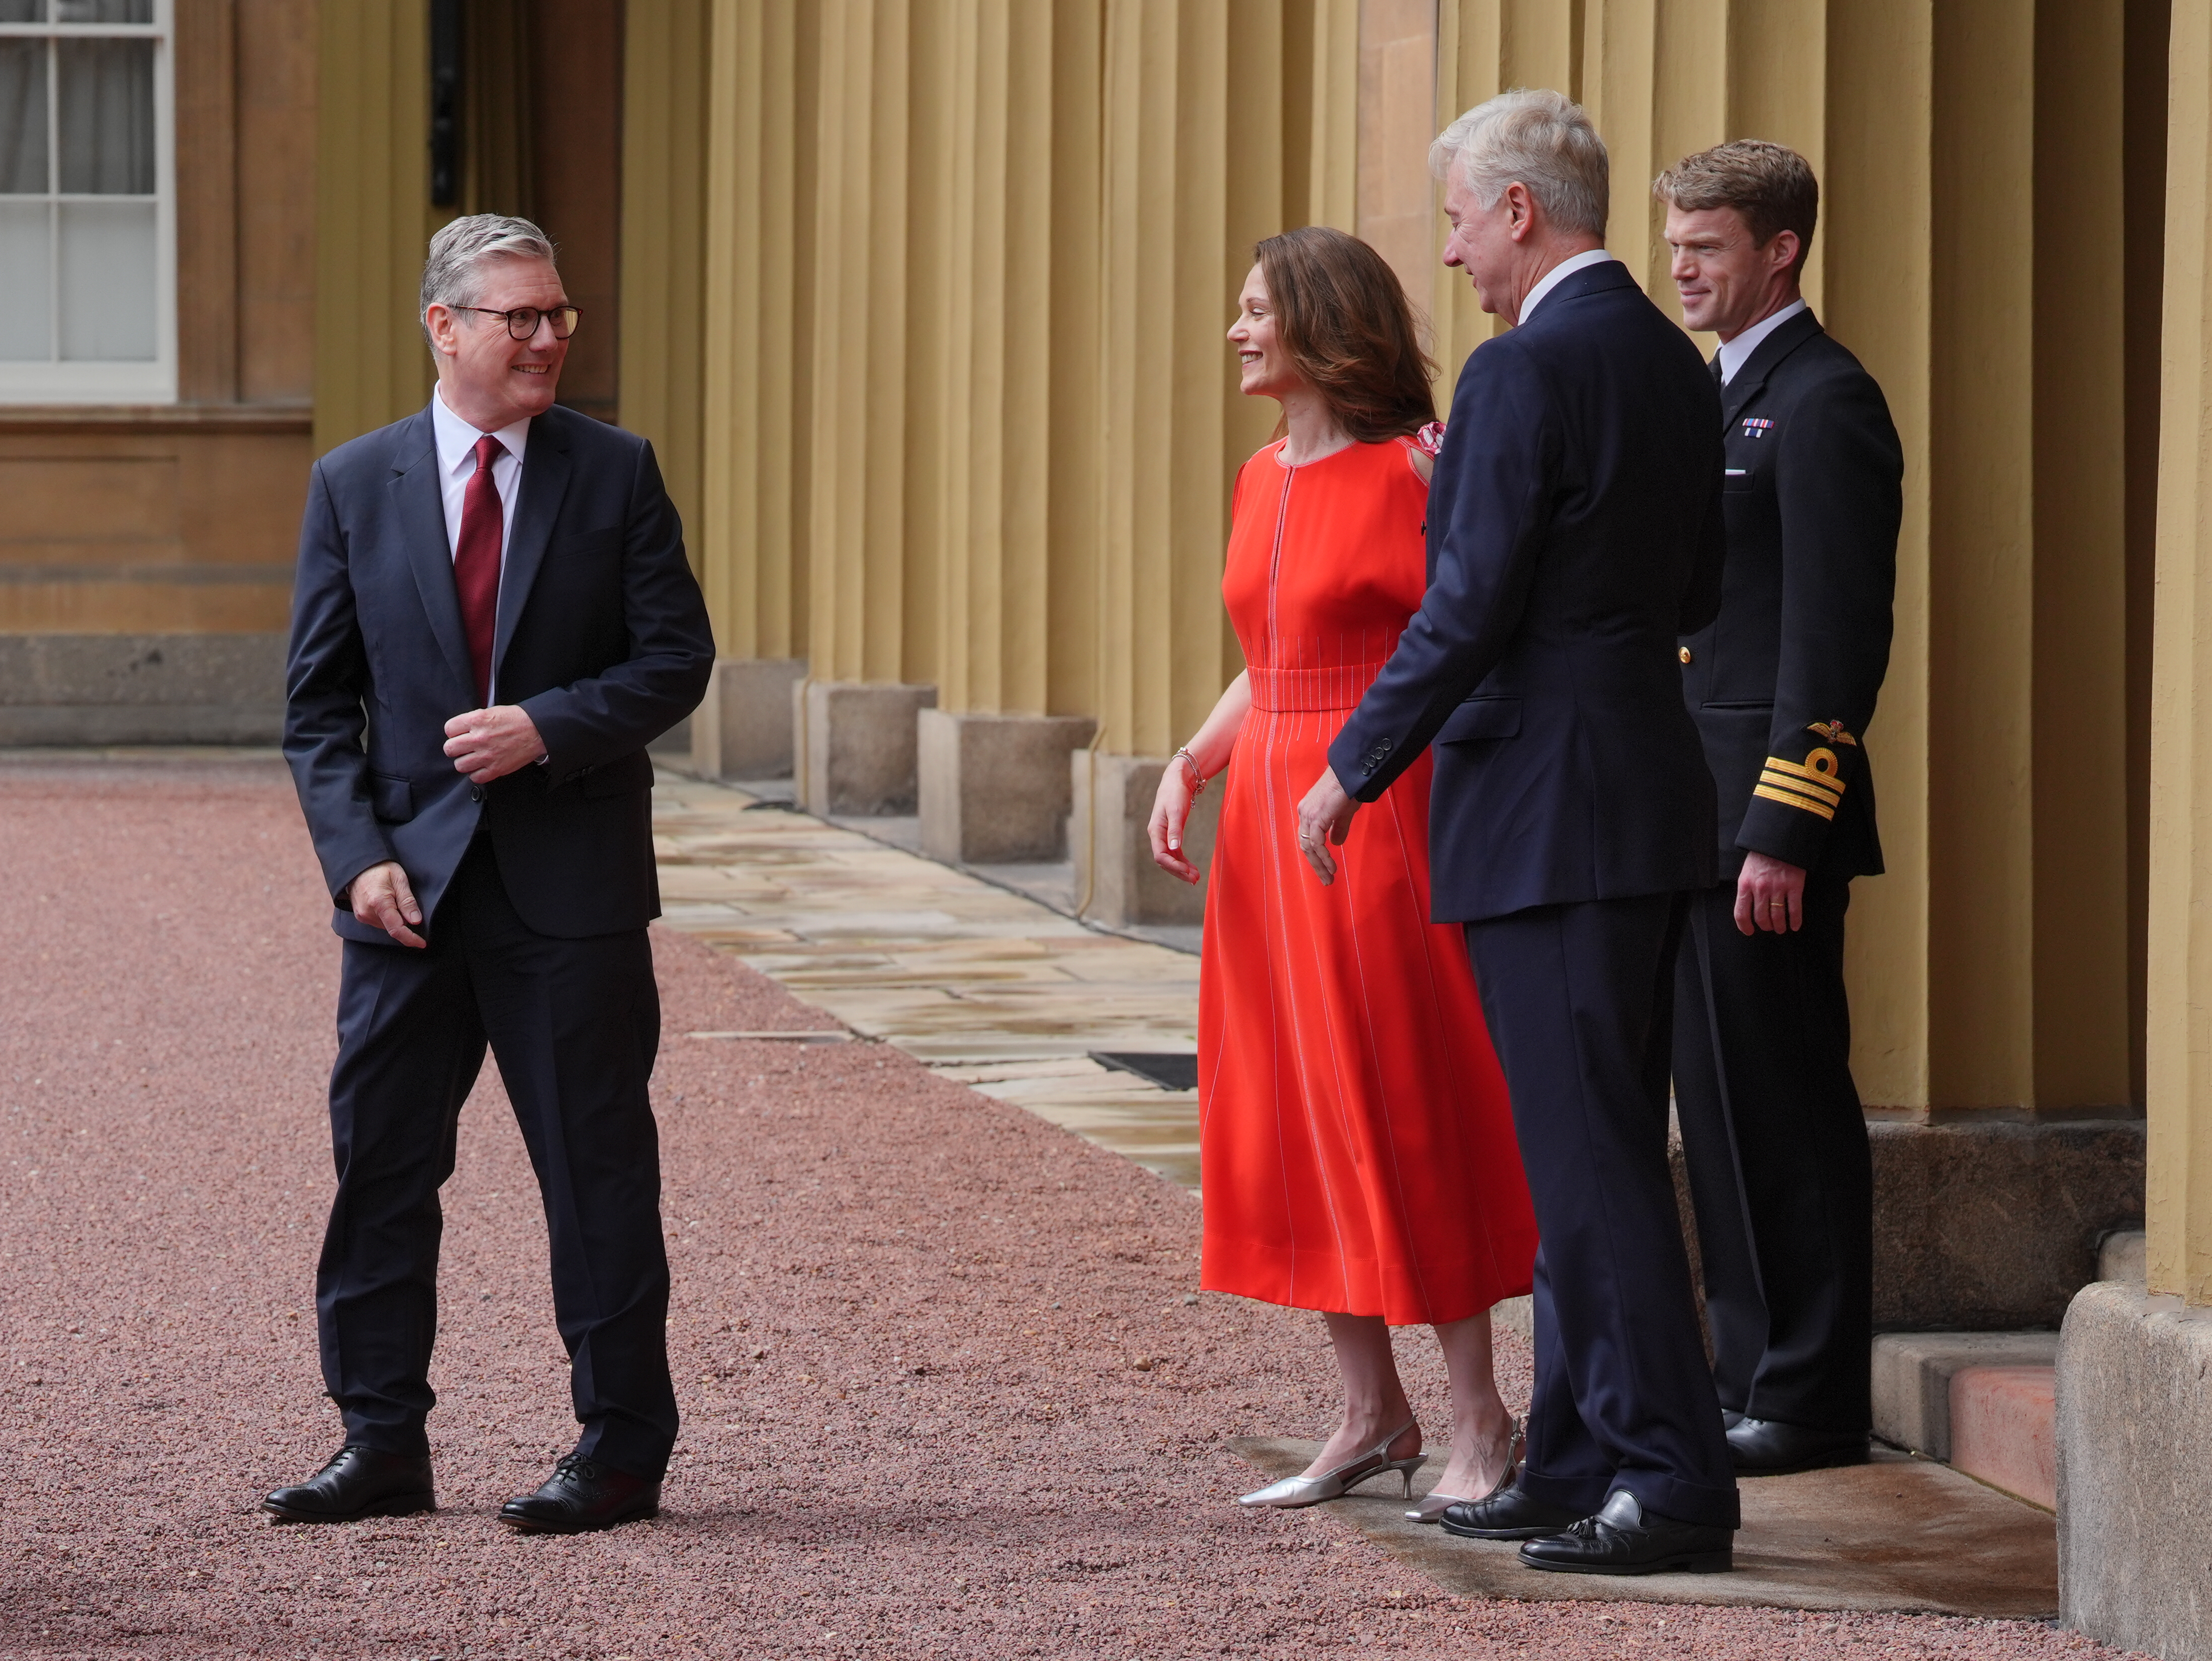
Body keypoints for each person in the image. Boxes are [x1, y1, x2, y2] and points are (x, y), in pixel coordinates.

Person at [1297, 90, 1738, 1575]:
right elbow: (1698, 595)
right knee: (1584, 1152)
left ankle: (1670, 1484)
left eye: (1462, 219)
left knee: (1596, 1163)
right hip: (1636, 789)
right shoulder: (1682, 368)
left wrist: (1352, 765)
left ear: (1523, 214)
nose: (1451, 252)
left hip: (1547, 815)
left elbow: (1465, 604)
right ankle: (1575, 1456)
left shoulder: (1518, 369)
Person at [267, 215, 714, 1534]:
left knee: (597, 1177)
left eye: (560, 316)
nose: (549, 340)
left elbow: (673, 660)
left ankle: (621, 1452)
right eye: (520, 319)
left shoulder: (614, 473)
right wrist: (355, 867)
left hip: (568, 890)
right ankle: (380, 1443)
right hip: (405, 900)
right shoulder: (355, 485)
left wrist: (549, 727)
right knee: (383, 1174)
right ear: (443, 327)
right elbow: (315, 712)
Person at [1150, 226, 1537, 1523]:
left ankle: (1482, 1415)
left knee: (1398, 1093)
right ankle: (1372, 1412)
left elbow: (1466, 633)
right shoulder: (1261, 473)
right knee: (1294, 1098)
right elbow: (1273, 653)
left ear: (1323, 324)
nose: (1237, 331)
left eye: (1256, 310)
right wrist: (1193, 762)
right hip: (1267, 819)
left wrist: (1358, 766)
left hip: (1376, 806)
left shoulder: (1417, 468)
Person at [1655, 142, 1901, 1475]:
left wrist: (1784, 826)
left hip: (1763, 829)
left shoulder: (1824, 402)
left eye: (1705, 248)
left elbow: (1835, 639)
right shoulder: (1719, 396)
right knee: (1721, 1103)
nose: (1682, 270)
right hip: (1695, 817)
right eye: (1677, 246)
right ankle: (1747, 1369)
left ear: (1779, 250)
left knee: (1784, 1106)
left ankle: (1804, 1395)